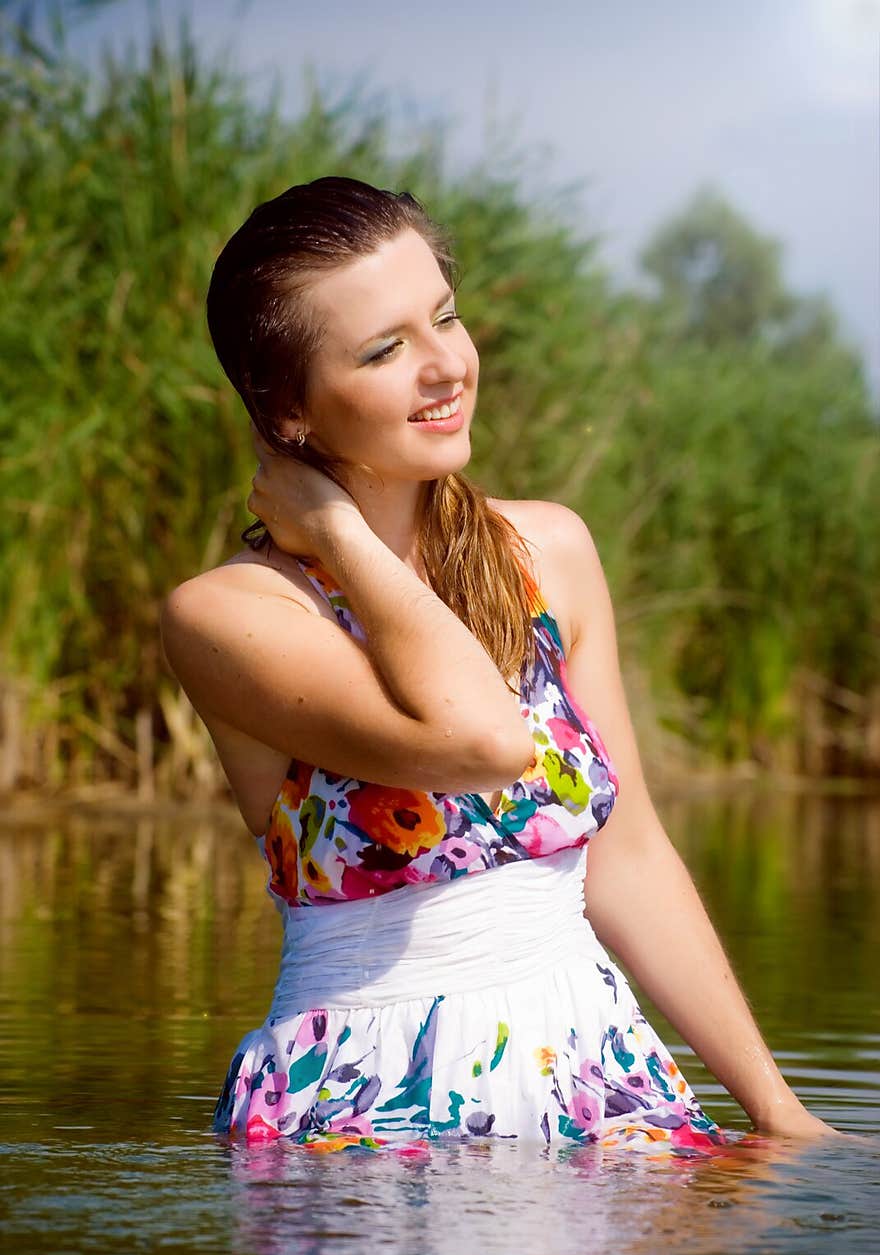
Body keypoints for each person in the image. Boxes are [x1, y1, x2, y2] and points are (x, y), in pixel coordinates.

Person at [160, 175, 834, 1154]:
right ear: (286, 406)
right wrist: (341, 536)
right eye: (386, 349)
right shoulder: (231, 612)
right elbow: (477, 740)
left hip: (597, 1072)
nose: (445, 367)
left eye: (446, 318)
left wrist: (780, 1116)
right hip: (369, 1100)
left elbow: (629, 853)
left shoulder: (547, 553)